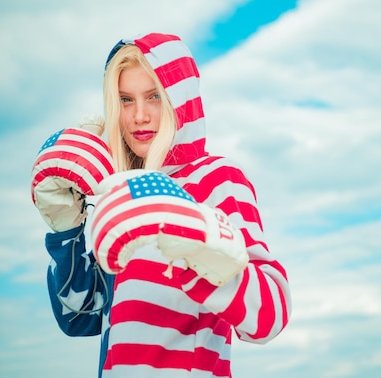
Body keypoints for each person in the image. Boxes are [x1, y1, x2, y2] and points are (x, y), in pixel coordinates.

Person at [37, 32, 291, 377]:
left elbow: (270, 315)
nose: (139, 115)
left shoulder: (216, 178)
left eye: (154, 96)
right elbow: (79, 318)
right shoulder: (118, 194)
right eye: (126, 100)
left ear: (179, 100)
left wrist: (201, 242)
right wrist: (66, 227)